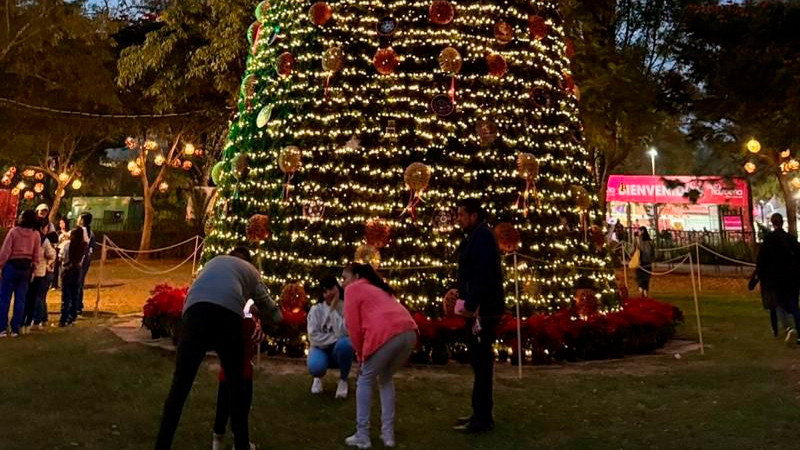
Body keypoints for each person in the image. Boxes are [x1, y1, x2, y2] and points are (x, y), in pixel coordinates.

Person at [155, 247, 281, 450]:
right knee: (235, 387)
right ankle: (241, 444)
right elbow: (270, 308)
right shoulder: (252, 272)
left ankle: (162, 445)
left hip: (194, 313)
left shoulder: (213, 262)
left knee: (179, 388)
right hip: (227, 316)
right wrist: (275, 319)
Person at [342, 263, 418, 449]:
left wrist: (360, 356)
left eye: (345, 278)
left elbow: (354, 328)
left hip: (386, 335)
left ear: (356, 276)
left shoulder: (353, 289)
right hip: (409, 333)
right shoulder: (379, 288)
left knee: (365, 379)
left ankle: (363, 435)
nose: (342, 283)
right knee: (385, 378)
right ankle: (388, 435)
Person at [452, 198, 505, 433]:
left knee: (482, 364)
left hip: (483, 311)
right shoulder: (475, 236)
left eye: (462, 215)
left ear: (474, 215)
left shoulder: (482, 237)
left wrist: (471, 303)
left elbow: (483, 275)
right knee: (478, 362)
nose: (459, 219)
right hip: (477, 308)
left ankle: (482, 418)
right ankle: (479, 412)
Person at [212, 301, 260, 450]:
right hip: (243, 374)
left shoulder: (225, 319)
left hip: (226, 373)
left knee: (222, 408)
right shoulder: (248, 322)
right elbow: (255, 335)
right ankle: (239, 442)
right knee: (241, 410)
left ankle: (217, 439)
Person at [754, 213, 800, 345]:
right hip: (792, 278)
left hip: (776, 279)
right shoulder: (791, 239)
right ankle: (799, 331)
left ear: (773, 223)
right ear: (782, 223)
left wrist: (758, 275)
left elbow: (762, 260)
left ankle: (788, 327)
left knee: (779, 304)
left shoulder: (769, 240)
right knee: (794, 306)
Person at [307, 275, 354, 399]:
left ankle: (343, 380)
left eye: (332, 288)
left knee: (346, 344)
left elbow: (344, 333)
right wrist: (335, 339)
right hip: (320, 349)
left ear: (337, 288)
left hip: (338, 350)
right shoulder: (316, 310)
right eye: (325, 291)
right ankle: (317, 378)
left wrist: (333, 309)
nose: (329, 293)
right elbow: (313, 337)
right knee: (316, 366)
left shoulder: (346, 308)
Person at [0, 210, 41, 337]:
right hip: (26, 268)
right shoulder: (35, 234)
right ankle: (15, 328)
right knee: (21, 299)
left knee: (4, 298)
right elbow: (36, 254)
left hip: (11, 266)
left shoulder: (14, 232)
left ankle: (2, 327)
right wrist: (33, 269)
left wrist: (1, 265)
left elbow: (6, 251)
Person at [22, 218, 57, 332]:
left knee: (25, 297)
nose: (47, 230)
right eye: (46, 227)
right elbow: (52, 254)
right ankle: (32, 323)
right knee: (36, 298)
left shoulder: (28, 237)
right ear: (42, 228)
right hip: (39, 272)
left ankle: (21, 322)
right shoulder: (43, 240)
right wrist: (48, 262)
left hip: (27, 270)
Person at [59, 228, 86, 326]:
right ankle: (73, 316)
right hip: (77, 270)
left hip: (67, 270)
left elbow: (61, 256)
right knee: (75, 293)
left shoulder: (67, 245)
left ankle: (64, 318)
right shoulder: (83, 246)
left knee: (66, 295)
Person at [76, 212, 96, 317]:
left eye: (79, 218)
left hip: (80, 259)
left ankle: (77, 305)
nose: (77, 219)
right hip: (86, 259)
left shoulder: (81, 231)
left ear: (82, 220)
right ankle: (79, 305)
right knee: (80, 281)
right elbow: (92, 246)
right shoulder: (90, 232)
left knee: (77, 282)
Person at [634, 227, 654, 297]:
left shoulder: (637, 239)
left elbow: (633, 249)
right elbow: (653, 251)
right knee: (646, 276)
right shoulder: (650, 241)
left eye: (639, 231)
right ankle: (645, 290)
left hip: (640, 261)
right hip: (648, 261)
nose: (638, 232)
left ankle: (641, 288)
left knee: (639, 276)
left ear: (642, 231)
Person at [52, 217, 70, 289]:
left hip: (65, 251)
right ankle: (54, 284)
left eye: (63, 223)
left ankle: (63, 283)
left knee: (63, 268)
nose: (61, 225)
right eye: (60, 223)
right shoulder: (58, 232)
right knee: (56, 268)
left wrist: (63, 233)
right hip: (58, 250)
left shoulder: (70, 232)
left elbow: (69, 236)